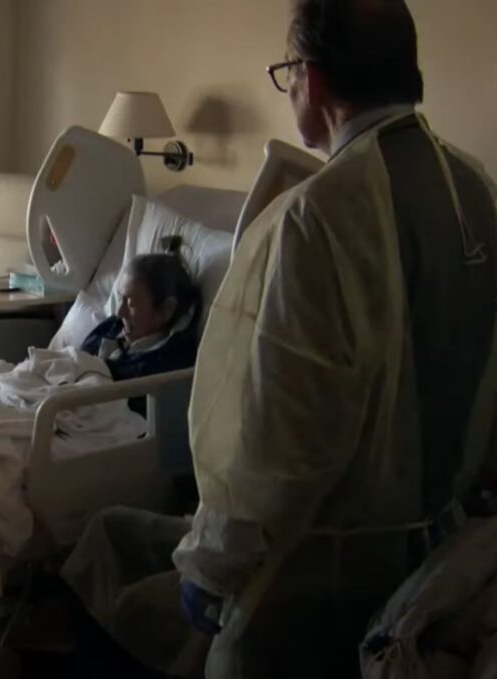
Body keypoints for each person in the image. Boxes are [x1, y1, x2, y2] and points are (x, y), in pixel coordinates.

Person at [171, 0, 497, 677]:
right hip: (443, 560)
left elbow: (279, 444)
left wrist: (212, 566)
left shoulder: (318, 218)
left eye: (286, 72)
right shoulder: (478, 190)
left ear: (311, 83)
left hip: (322, 578)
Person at [81, 236, 199, 391]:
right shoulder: (116, 327)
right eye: (121, 299)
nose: (120, 312)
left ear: (166, 310)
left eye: (130, 304)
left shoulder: (165, 364)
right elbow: (82, 354)